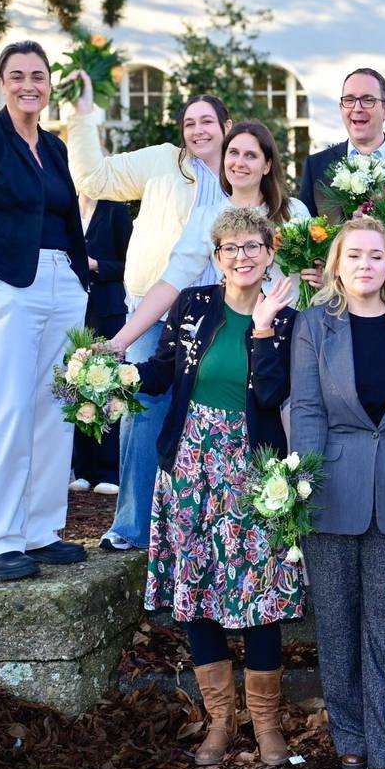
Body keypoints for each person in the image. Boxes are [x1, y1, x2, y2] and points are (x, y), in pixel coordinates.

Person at [137, 208, 302, 768]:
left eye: (252, 245)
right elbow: (162, 371)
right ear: (217, 256)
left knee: (259, 591)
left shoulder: (288, 319)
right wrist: (115, 369)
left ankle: (267, 724)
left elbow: (272, 395)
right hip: (188, 466)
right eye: (230, 247)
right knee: (197, 587)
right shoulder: (193, 304)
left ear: (269, 252)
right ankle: (220, 721)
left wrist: (263, 328)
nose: (241, 256)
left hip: (252, 471)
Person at [289, 217, 385, 769]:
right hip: (329, 486)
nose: (365, 265)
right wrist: (302, 484)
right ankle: (350, 739)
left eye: (376, 255)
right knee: (335, 619)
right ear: (336, 264)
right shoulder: (314, 324)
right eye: (354, 255)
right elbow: (307, 409)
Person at [66, 71, 232, 553]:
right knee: (141, 412)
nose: (197, 130)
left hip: (218, 315)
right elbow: (94, 177)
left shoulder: (241, 175)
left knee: (208, 416)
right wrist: (83, 116)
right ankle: (131, 527)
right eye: (189, 123)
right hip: (152, 311)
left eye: (207, 121)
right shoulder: (162, 162)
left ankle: (197, 531)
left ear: (226, 126)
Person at [0, 41, 90, 582]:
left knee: (56, 406)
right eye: (18, 75)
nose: (29, 84)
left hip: (62, 283)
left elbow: (66, 217)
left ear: (49, 84)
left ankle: (41, 530)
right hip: (7, 282)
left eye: (38, 75)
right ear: (3, 84)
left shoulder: (54, 147)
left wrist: (76, 271)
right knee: (10, 407)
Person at [105, 120, 310, 353]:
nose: (239, 162)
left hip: (292, 334)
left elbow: (319, 273)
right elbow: (170, 283)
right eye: (233, 153)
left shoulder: (294, 212)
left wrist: (319, 274)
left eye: (251, 155)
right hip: (236, 339)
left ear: (267, 165)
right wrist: (118, 342)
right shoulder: (207, 217)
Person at [298, 68, 385, 269]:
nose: (357, 108)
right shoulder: (316, 166)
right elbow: (307, 236)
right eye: (349, 100)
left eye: (368, 100)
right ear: (341, 107)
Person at [69, 194, 133, 495]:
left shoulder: (116, 211)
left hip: (108, 311)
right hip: (73, 312)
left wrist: (97, 265)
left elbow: (130, 265)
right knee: (77, 385)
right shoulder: (65, 207)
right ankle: (83, 469)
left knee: (109, 386)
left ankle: (109, 470)